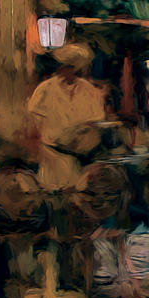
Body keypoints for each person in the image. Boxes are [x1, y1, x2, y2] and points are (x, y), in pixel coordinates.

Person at [27, 43, 106, 190]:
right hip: (54, 157)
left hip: (82, 159)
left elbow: (96, 122)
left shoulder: (89, 91)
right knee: (55, 195)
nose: (70, 71)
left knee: (78, 197)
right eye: (67, 67)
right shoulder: (45, 90)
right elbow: (34, 122)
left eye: (74, 68)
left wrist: (83, 133)